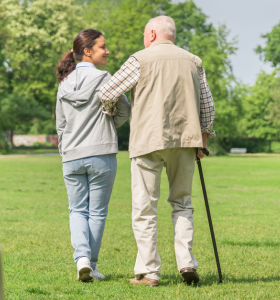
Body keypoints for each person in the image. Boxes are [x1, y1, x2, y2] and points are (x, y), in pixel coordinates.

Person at [98, 16, 216, 287]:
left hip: (147, 141)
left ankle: (150, 272)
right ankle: (186, 262)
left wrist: (114, 115)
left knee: (144, 209)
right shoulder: (193, 60)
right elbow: (207, 105)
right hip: (186, 141)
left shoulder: (139, 59)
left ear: (151, 34)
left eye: (143, 34)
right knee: (182, 203)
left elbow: (107, 92)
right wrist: (204, 140)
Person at [55, 29, 131, 282]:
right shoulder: (105, 78)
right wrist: (108, 126)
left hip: (71, 155)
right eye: (102, 47)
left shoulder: (64, 83)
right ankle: (93, 266)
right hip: (102, 153)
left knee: (77, 210)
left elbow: (61, 125)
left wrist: (67, 150)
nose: (107, 51)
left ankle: (82, 260)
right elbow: (124, 111)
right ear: (87, 51)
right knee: (97, 212)